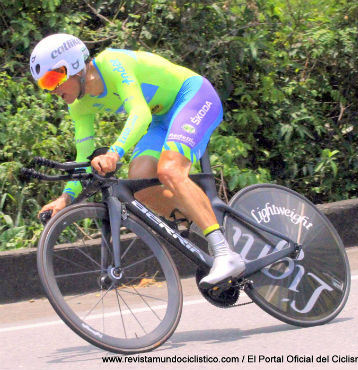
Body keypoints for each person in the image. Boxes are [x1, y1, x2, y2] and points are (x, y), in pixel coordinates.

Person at [29, 33, 245, 287]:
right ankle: (204, 225)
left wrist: (114, 152)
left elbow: (139, 113)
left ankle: (224, 254)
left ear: (74, 65)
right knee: (140, 183)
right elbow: (83, 159)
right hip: (162, 119)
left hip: (193, 96)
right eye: (44, 85)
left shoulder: (112, 63)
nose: (52, 90)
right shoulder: (78, 106)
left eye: (54, 79)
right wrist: (64, 199)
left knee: (170, 171)